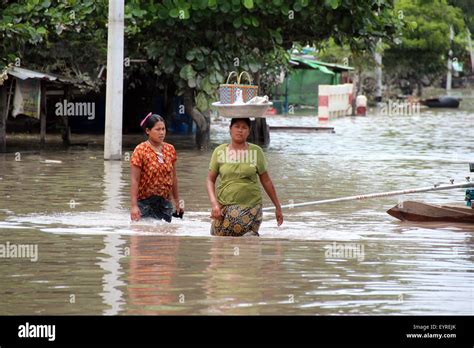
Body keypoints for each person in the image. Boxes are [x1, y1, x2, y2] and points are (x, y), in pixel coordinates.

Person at [206, 117, 283, 236]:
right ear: (230, 129)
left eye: (244, 127)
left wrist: (277, 206)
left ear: (249, 131)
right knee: (217, 238)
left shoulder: (256, 152)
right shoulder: (219, 151)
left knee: (235, 222)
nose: (240, 130)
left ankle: (250, 236)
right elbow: (210, 180)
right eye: (237, 126)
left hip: (250, 206)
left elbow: (266, 181)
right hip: (224, 205)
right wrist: (214, 204)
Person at [130, 113, 183, 222]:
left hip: (165, 204)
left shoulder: (170, 149)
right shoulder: (140, 150)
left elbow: (174, 178)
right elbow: (134, 180)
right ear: (148, 131)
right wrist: (134, 206)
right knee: (143, 235)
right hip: (144, 203)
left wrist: (178, 202)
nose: (162, 132)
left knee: (166, 236)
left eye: (163, 129)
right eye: (157, 129)